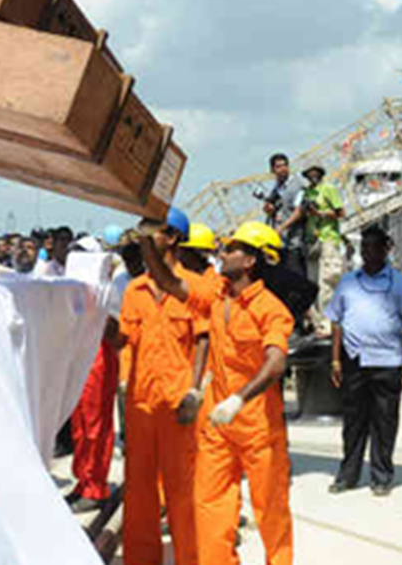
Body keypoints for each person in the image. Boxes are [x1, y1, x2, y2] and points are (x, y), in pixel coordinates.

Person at [141, 221, 293, 565]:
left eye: (233, 248)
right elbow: (167, 280)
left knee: (271, 511)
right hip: (217, 428)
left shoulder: (271, 309)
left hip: (258, 428)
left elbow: (275, 363)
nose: (223, 252)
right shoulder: (215, 295)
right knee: (209, 509)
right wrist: (146, 240)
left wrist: (240, 399)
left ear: (252, 260)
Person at [118, 208, 207, 565]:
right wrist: (124, 383)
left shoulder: (193, 289)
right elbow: (127, 341)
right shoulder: (134, 290)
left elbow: (203, 340)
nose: (142, 236)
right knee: (139, 492)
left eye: (150, 229)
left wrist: (195, 391)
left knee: (184, 492)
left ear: (172, 237)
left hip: (177, 405)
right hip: (141, 405)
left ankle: (191, 558)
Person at [326, 226, 402, 497]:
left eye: (373, 248)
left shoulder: (399, 283)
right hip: (354, 361)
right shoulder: (348, 282)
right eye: (364, 248)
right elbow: (336, 320)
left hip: (387, 362)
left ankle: (381, 476)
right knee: (353, 423)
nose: (368, 253)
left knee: (385, 422)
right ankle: (348, 475)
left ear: (386, 249)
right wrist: (335, 360)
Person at [65, 233, 126, 515]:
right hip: (80, 353)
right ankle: (83, 479)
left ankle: (95, 485)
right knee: (79, 424)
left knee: (95, 425)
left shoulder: (109, 289)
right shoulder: (73, 289)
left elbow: (116, 330)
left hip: (98, 356)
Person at [303, 164, 346, 334]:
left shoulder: (328, 189)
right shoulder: (308, 192)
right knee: (313, 283)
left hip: (328, 237)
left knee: (327, 281)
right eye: (309, 174)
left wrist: (320, 214)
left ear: (321, 174)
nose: (313, 176)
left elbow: (341, 212)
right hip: (312, 239)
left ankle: (329, 322)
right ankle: (318, 322)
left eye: (316, 173)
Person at [264, 154, 308, 277]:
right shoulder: (276, 189)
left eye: (285, 165)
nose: (283, 169)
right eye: (279, 166)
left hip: (296, 242)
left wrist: (282, 227)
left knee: (297, 277)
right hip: (281, 243)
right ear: (272, 170)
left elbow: (300, 210)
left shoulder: (298, 184)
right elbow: (279, 212)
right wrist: (270, 211)